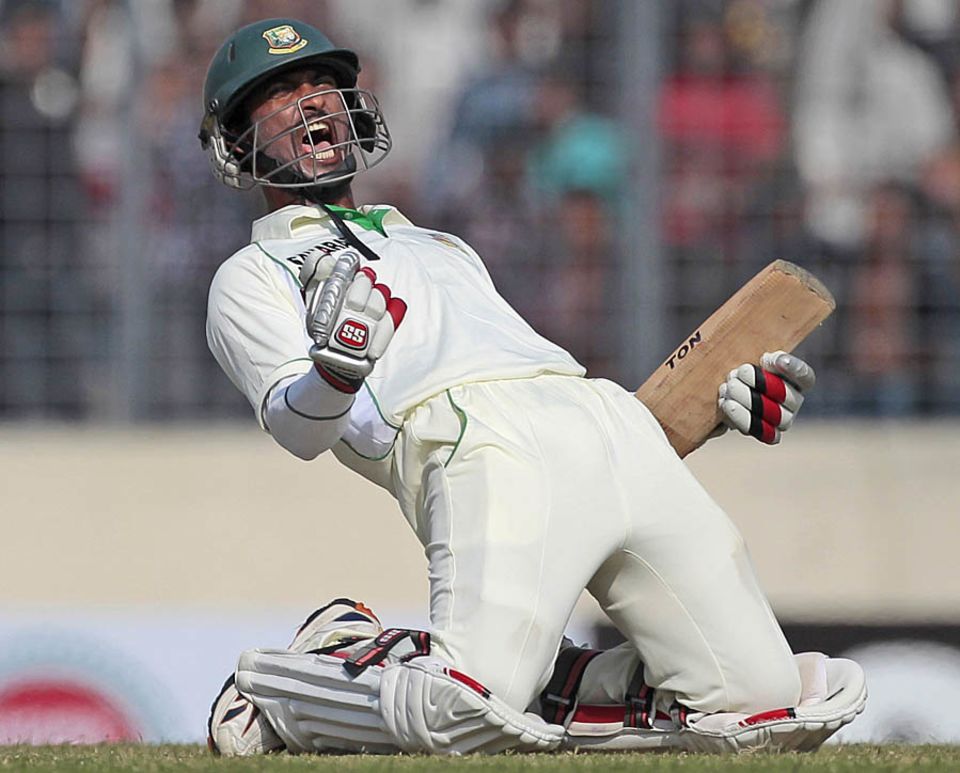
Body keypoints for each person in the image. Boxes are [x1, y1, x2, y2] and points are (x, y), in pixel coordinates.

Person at [199, 18, 866, 757]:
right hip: (475, 445)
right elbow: (299, 430)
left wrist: (722, 400)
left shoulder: (438, 242)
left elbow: (536, 380)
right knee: (466, 708)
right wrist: (336, 370)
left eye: (323, 84)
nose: (312, 101)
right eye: (281, 92)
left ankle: (563, 681)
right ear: (235, 142)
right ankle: (302, 683)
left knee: (767, 706)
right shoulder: (252, 276)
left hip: (607, 417)